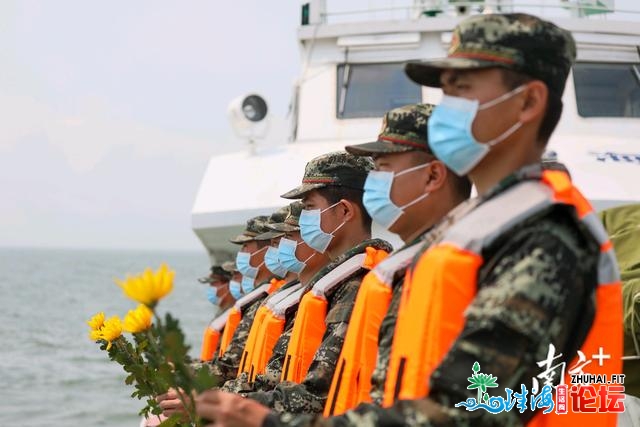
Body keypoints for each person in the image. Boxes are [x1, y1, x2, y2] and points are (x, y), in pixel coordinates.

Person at [196, 13, 622, 427]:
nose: (445, 113)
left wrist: (268, 421)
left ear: (528, 102)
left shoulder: (545, 236)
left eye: (463, 90)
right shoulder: (478, 229)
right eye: (446, 93)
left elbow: (469, 410)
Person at [198, 151, 392, 416]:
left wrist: (231, 405)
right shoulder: (332, 284)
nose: (303, 219)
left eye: (309, 207)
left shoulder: (358, 284)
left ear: (345, 210)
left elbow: (317, 391)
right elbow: (276, 373)